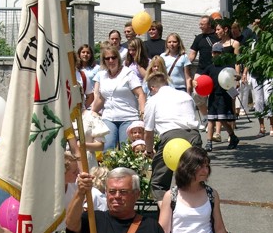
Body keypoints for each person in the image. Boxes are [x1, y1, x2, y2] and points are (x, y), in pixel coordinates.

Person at [143, 72, 202, 207]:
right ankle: (195, 210)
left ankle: (167, 216)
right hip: (193, 136)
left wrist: (148, 150)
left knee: (159, 183)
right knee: (193, 179)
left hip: (171, 138)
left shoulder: (153, 100)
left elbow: (148, 132)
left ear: (152, 88)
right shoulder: (185, 96)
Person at [92, 46, 146, 151]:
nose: (111, 60)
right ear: (104, 61)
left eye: (113, 57)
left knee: (126, 149)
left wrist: (143, 112)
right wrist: (92, 112)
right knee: (107, 149)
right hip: (109, 117)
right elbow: (101, 98)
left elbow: (140, 94)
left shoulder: (128, 73)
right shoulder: (102, 76)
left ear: (118, 58)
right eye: (107, 58)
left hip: (128, 117)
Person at [197, 42, 240, 151]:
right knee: (211, 119)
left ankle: (232, 136)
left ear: (222, 54)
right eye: (214, 52)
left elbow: (234, 77)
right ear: (212, 54)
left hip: (223, 96)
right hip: (213, 96)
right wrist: (195, 82)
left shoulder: (227, 68)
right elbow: (202, 79)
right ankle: (209, 142)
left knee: (222, 119)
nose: (216, 55)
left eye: (219, 53)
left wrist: (238, 78)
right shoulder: (209, 68)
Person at [188, 16, 220, 129]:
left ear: (209, 25)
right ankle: (206, 118)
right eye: (200, 24)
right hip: (201, 70)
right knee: (197, 95)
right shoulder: (199, 38)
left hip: (215, 70)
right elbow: (192, 54)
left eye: (202, 24)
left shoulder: (217, 37)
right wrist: (185, 64)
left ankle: (216, 121)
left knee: (214, 96)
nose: (200, 26)